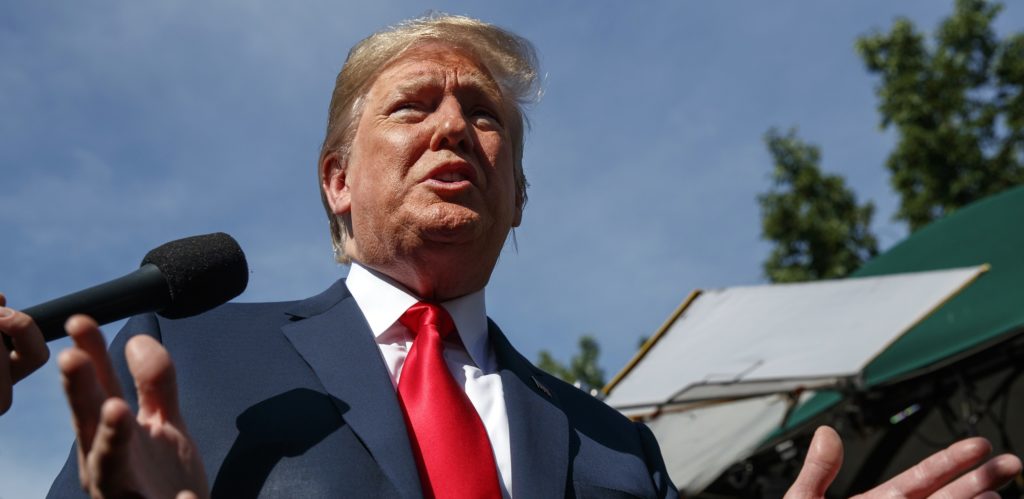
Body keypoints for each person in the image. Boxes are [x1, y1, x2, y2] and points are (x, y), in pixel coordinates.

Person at [2, 13, 1016, 498]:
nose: (454, 127)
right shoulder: (188, 363)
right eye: (414, 106)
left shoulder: (615, 449)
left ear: (517, 193)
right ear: (336, 181)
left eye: (484, 116)